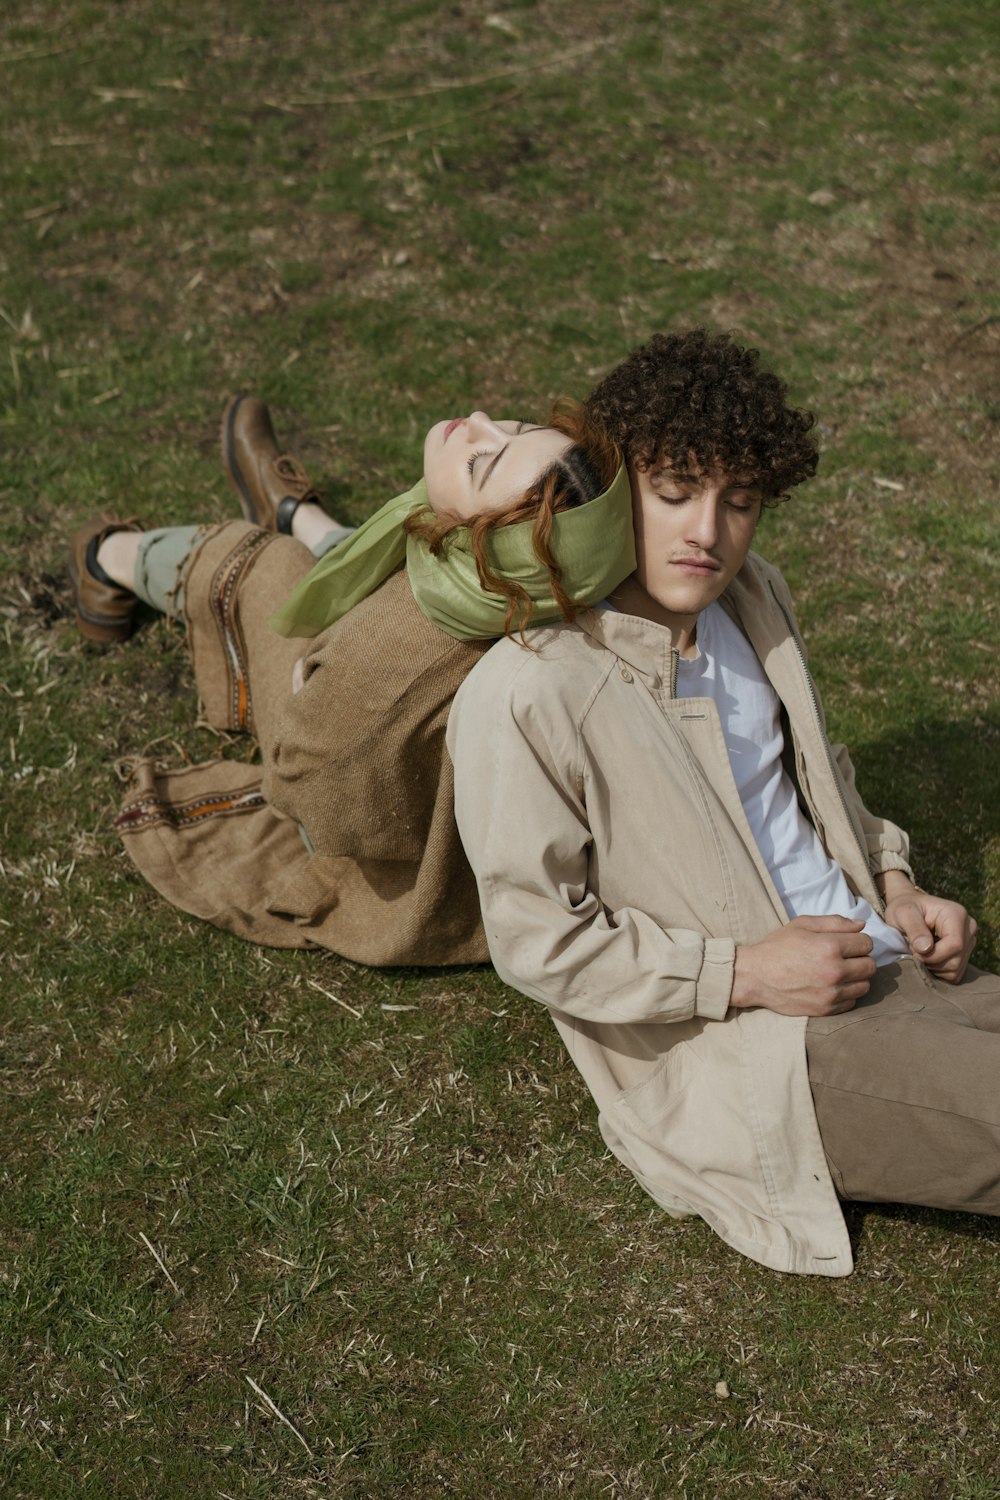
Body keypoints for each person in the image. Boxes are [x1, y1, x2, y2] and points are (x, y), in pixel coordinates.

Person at [446, 328, 997, 1277]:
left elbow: (821, 774)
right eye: (674, 494)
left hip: (877, 953)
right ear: (616, 489)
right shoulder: (530, 690)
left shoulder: (752, 599)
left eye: (738, 502)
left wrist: (897, 885)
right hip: (762, 1052)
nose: (708, 531)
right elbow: (536, 941)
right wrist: (741, 974)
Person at [67, 396, 632, 967]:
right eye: (511, 428)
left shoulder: (388, 656)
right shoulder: (561, 581)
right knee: (340, 565)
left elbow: (299, 779)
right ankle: (302, 516)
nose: (478, 424)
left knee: (270, 568)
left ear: (486, 545)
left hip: (403, 879)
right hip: (457, 832)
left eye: (479, 463)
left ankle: (102, 561)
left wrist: (310, 685)